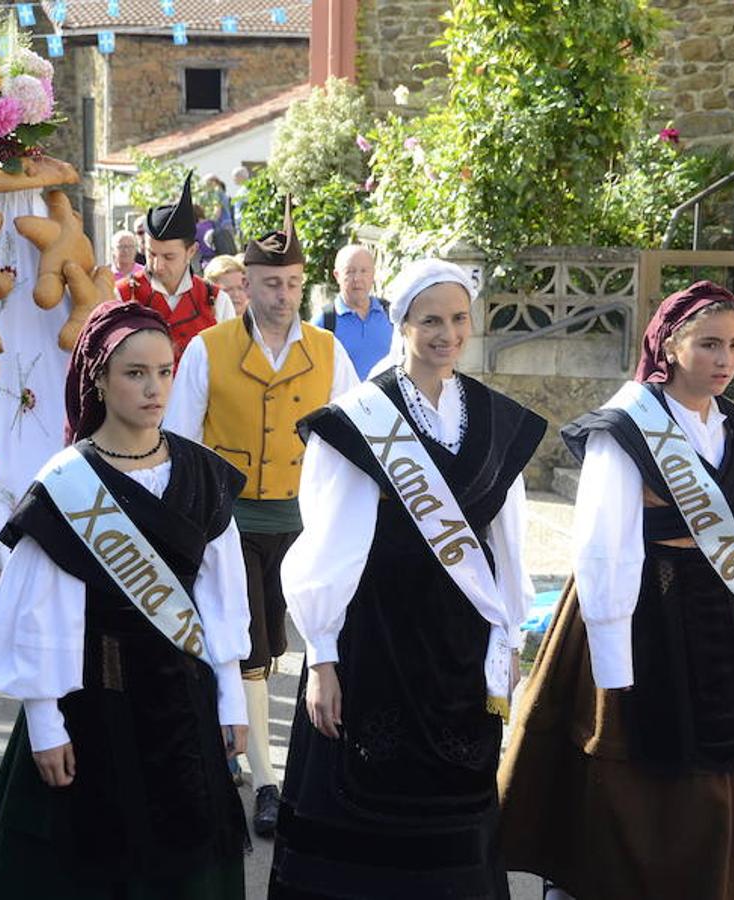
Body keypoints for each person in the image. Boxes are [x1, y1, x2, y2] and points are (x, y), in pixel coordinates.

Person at [496, 281, 734, 899]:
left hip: (718, 613)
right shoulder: (626, 428)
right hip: (634, 608)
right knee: (624, 760)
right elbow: (604, 546)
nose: (724, 360)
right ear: (669, 346)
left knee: (728, 762)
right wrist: (612, 661)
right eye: (709, 344)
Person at [267, 259, 544, 896]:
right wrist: (323, 658)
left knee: (458, 805)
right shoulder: (362, 416)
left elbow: (508, 540)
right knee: (365, 806)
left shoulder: (495, 418)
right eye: (431, 321)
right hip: (377, 638)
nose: (446, 334)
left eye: (457, 319)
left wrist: (509, 636)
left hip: (459, 642)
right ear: (404, 324)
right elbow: (328, 545)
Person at [0, 300, 253, 899]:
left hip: (182, 706)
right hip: (91, 708)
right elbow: (43, 615)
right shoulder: (66, 486)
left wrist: (231, 697)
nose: (155, 388)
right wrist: (45, 723)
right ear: (98, 377)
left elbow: (222, 600)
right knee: (85, 865)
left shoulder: (204, 475)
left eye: (165, 371)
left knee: (186, 858)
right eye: (135, 373)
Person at [165, 198, 359, 839]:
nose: (284, 295)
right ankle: (268, 783)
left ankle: (307, 767)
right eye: (273, 283)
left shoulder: (329, 351)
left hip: (306, 523)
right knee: (247, 648)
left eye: (295, 284)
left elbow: (356, 441)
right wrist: (185, 525)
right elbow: (179, 441)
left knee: (309, 645)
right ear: (246, 282)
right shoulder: (206, 350)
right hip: (231, 523)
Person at [116, 173, 235, 365]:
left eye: (169, 256)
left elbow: (229, 366)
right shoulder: (122, 295)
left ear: (191, 251)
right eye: (151, 254)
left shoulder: (216, 300)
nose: (157, 265)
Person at [315, 244, 393, 380]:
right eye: (350, 271)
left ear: (373, 274)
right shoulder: (324, 322)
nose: (357, 278)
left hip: (389, 400)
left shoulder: (391, 314)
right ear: (337, 275)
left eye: (364, 271)